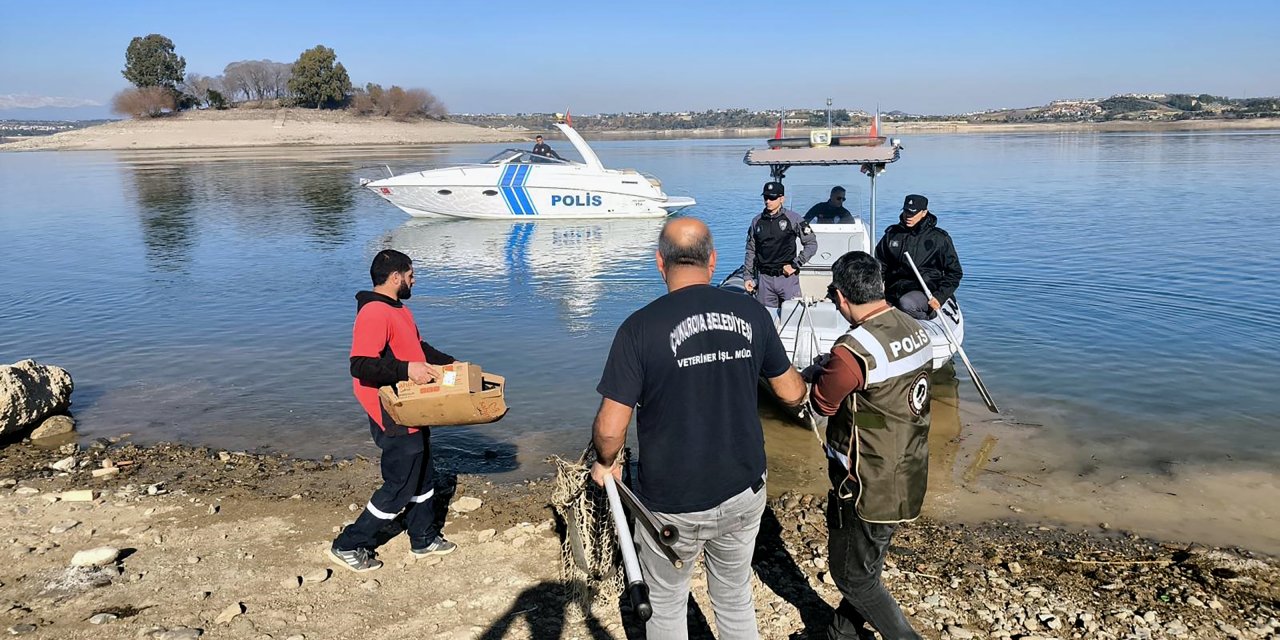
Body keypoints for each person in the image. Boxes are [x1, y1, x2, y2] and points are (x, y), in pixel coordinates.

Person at [591, 218, 807, 639]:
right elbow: (792, 392)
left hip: (672, 501)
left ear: (659, 263)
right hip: (743, 489)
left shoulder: (639, 328)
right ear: (712, 261)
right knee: (733, 594)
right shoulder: (752, 312)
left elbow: (611, 427)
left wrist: (606, 461)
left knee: (667, 605)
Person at [803, 251, 933, 640]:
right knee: (866, 563)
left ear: (842, 297)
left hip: (865, 483)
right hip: (909, 469)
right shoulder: (913, 326)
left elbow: (822, 402)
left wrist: (817, 372)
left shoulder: (853, 350)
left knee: (852, 577)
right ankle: (840, 634)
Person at [329, 249, 459, 572]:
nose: (415, 279)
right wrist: (406, 371)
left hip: (413, 406)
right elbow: (360, 366)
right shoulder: (374, 313)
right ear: (396, 276)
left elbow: (419, 351)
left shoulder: (400, 310)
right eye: (411, 273)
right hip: (391, 411)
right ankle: (348, 544)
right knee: (400, 484)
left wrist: (454, 365)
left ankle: (423, 537)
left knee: (425, 472)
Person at [873, 194, 963, 320]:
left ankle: (926, 317)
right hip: (894, 290)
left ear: (924, 212)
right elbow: (879, 266)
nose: (908, 216)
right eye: (906, 212)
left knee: (906, 304)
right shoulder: (892, 235)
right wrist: (874, 292)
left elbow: (954, 272)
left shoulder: (939, 239)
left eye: (912, 213)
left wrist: (939, 296)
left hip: (925, 291)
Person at [743, 181, 817, 308]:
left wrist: (796, 264)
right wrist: (747, 276)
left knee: (792, 319)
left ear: (782, 198)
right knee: (766, 320)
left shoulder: (793, 219)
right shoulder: (757, 221)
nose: (768, 201)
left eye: (772, 197)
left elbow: (811, 244)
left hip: (787, 278)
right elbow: (751, 250)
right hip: (765, 280)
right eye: (766, 197)